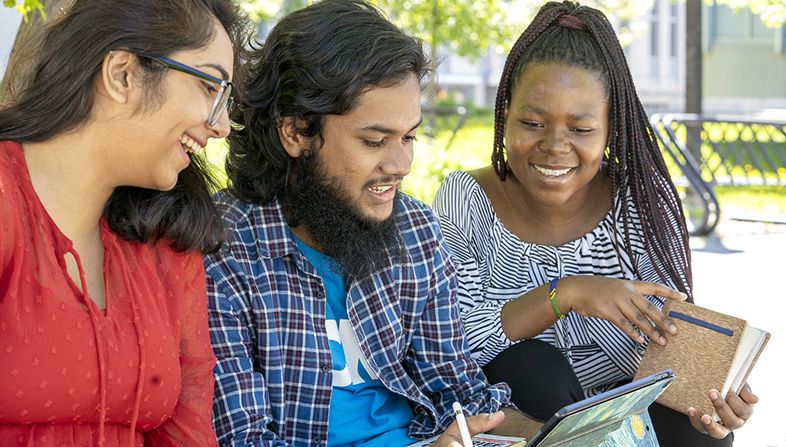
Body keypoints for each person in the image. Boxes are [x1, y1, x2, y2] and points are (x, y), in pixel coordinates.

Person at [204, 1, 540, 446]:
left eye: (409, 137)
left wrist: (553, 436)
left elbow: (462, 394)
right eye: (375, 140)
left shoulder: (416, 231)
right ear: (296, 133)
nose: (401, 164)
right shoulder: (223, 250)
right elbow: (242, 439)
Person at [432, 2, 757, 447]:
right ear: (504, 111)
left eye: (581, 130)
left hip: (630, 421)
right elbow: (453, 348)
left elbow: (672, 344)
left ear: (611, 128)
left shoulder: (639, 202)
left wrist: (714, 398)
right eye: (532, 122)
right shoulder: (466, 199)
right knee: (534, 365)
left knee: (702, 433)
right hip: (519, 421)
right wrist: (566, 294)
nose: (554, 146)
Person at [0, 1, 247, 445]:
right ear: (123, 75)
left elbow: (187, 431)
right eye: (210, 88)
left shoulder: (166, 236)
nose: (223, 125)